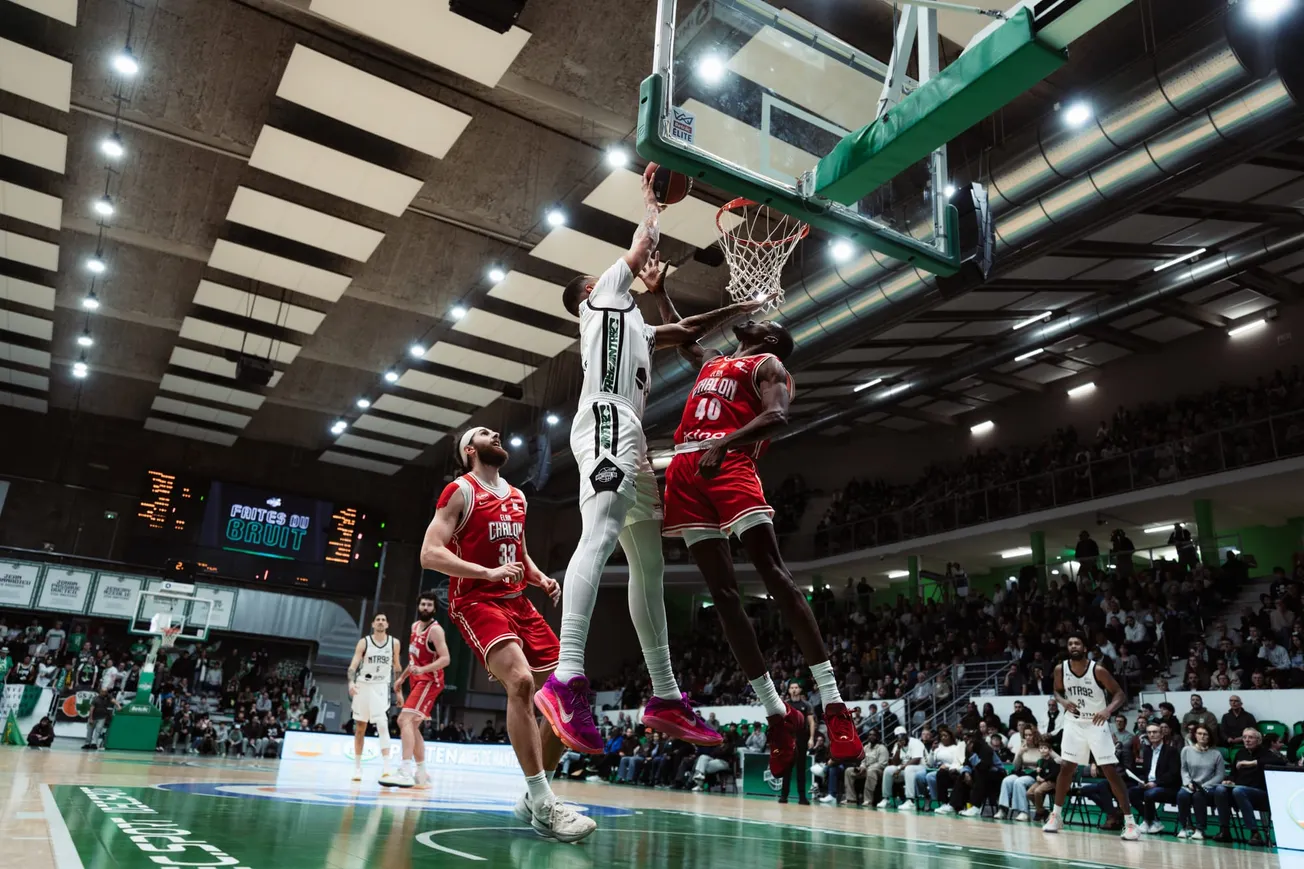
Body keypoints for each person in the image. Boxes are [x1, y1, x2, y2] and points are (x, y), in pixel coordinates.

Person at [542, 165, 753, 755]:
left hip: (630, 434)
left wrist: (739, 310)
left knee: (650, 562)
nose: (618, 274)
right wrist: (651, 203)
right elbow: (640, 248)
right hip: (607, 418)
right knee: (601, 531)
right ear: (590, 291)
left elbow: (683, 330)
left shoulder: (629, 320)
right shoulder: (602, 297)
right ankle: (566, 676)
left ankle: (664, 695)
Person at [660, 307, 863, 778]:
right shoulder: (714, 361)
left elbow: (776, 415)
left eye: (766, 321)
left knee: (775, 576)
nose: (758, 318)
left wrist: (725, 443)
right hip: (685, 471)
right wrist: (660, 292)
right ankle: (776, 713)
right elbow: (684, 334)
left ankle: (834, 705)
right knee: (723, 597)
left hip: (729, 462)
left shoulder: (767, 365)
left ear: (771, 339)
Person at [420, 427, 593, 843]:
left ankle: (535, 797)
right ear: (469, 450)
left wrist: (539, 577)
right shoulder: (460, 491)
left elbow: (518, 552)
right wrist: (487, 573)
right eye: (484, 432)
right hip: (476, 601)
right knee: (520, 681)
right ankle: (545, 802)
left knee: (568, 690)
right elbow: (430, 552)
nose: (495, 433)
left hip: (518, 601)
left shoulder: (517, 496)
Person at [1043, 634, 1138, 840]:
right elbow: (1056, 691)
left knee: (1110, 771)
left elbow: (1120, 694)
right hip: (1073, 723)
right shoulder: (1061, 669)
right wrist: (1063, 702)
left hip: (1096, 723)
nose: (1073, 646)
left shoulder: (1098, 670)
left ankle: (1131, 823)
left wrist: (1108, 710)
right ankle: (1056, 816)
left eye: (1077, 643)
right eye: (1070, 643)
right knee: (1066, 767)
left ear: (1085, 648)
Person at [393, 592, 450, 788]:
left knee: (403, 720)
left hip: (430, 681)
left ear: (434, 609)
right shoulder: (414, 627)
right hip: (417, 680)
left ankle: (405, 770)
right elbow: (414, 661)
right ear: (418, 606)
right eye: (423, 604)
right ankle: (422, 772)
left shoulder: (436, 630)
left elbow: (446, 659)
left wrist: (423, 670)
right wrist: (402, 678)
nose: (426, 607)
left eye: (429, 605)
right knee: (412, 725)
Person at [346, 612, 402, 785]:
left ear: (387, 624)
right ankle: (357, 767)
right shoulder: (364, 642)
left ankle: (386, 767)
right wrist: (351, 682)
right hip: (363, 685)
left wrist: (399, 691)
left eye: (383, 620)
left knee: (382, 723)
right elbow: (353, 665)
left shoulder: (394, 643)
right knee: (360, 727)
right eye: (378, 620)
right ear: (372, 624)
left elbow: (397, 667)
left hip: (381, 686)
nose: (380, 622)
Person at [1211, 727, 1284, 846]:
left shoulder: (1266, 752)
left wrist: (1252, 763)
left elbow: (1280, 762)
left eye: (1251, 737)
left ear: (1259, 740)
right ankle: (1224, 830)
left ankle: (1255, 833)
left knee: (1238, 790)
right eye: (1244, 737)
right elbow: (1233, 774)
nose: (1247, 740)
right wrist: (1229, 781)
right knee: (1220, 789)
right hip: (1239, 791)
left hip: (1259, 793)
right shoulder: (1240, 753)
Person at [1128, 722, 1181, 833]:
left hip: (1167, 786)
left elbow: (1173, 773)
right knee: (1131, 792)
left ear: (1161, 735)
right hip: (1149, 784)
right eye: (1149, 732)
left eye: (1155, 732)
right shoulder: (1147, 751)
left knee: (1149, 793)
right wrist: (1142, 780)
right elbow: (1145, 771)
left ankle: (1147, 821)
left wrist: (1155, 783)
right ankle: (1154, 820)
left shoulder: (1171, 751)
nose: (1152, 735)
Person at [1176, 724, 1224, 839]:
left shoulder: (1216, 754)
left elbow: (1220, 775)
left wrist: (1204, 785)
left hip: (1208, 787)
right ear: (1195, 735)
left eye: (1205, 734)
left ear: (1209, 737)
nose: (1202, 736)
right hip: (1190, 785)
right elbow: (1183, 769)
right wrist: (1188, 783)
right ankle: (1185, 827)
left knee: (1198, 796)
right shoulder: (1186, 750)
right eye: (1199, 733)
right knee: (1182, 795)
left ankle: (1200, 829)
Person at [779, 683, 814, 806]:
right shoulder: (785, 705)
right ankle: (784, 796)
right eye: (792, 688)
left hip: (802, 739)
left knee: (801, 769)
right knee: (786, 769)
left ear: (800, 690)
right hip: (788, 739)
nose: (794, 689)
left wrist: (811, 738)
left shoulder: (806, 705)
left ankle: (802, 797)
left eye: (796, 687)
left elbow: (811, 722)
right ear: (789, 690)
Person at [878, 726, 925, 809]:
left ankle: (910, 801)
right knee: (888, 770)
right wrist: (898, 749)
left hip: (920, 768)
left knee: (909, 768)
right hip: (905, 770)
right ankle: (887, 799)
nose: (901, 738)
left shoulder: (916, 742)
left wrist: (900, 768)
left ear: (906, 735)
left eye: (902, 735)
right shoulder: (897, 745)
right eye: (898, 736)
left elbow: (916, 760)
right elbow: (895, 763)